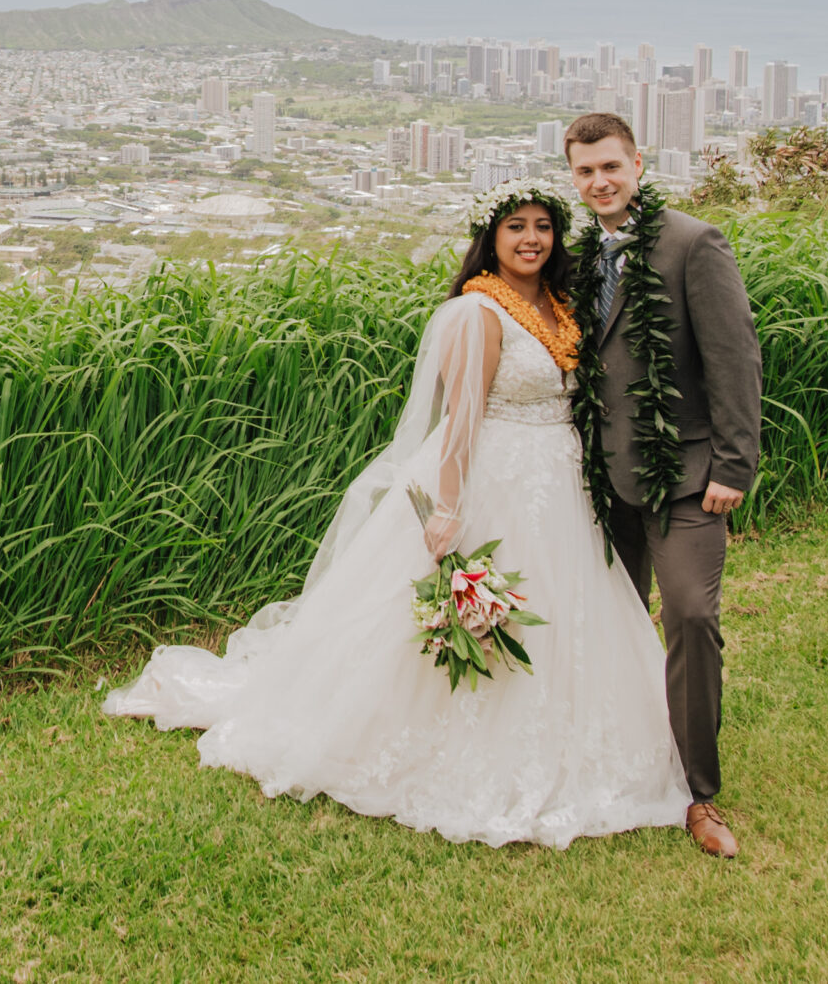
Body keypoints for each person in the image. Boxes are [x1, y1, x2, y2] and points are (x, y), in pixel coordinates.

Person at [102, 179, 690, 849]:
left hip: (559, 477)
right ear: (490, 239)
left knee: (568, 612)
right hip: (495, 474)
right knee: (478, 614)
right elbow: (462, 418)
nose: (531, 238)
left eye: (543, 226)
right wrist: (447, 508)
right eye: (515, 226)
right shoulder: (479, 312)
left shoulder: (558, 305)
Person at [561, 111, 762, 859]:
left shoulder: (692, 242)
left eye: (610, 166)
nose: (599, 181)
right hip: (603, 479)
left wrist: (734, 466)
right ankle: (614, 759)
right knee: (607, 620)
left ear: (638, 162)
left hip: (687, 475)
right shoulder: (580, 256)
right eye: (584, 171)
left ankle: (698, 792)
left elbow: (735, 357)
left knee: (690, 616)